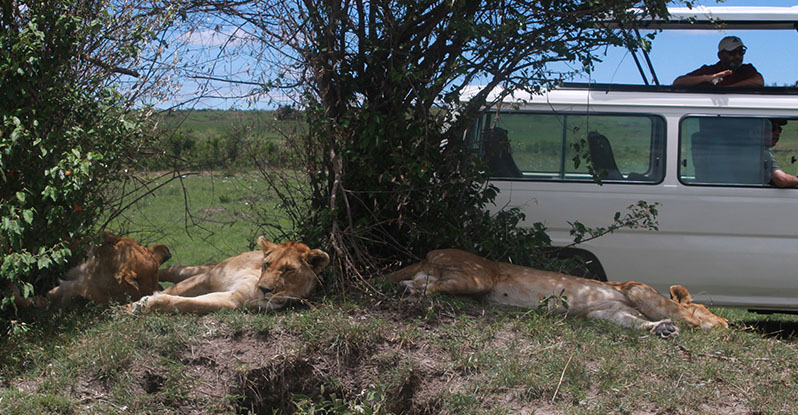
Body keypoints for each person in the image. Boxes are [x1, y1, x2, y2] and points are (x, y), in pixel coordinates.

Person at [673, 36, 764, 87]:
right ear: (720, 55)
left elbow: (759, 81)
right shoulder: (710, 70)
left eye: (741, 52)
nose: (737, 56)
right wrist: (707, 78)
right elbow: (679, 82)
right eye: (732, 53)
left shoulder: (746, 70)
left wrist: (728, 88)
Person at [765, 119, 798, 188]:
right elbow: (781, 180)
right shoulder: (761, 153)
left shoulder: (762, 151)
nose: (777, 132)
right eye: (772, 128)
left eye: (779, 129)